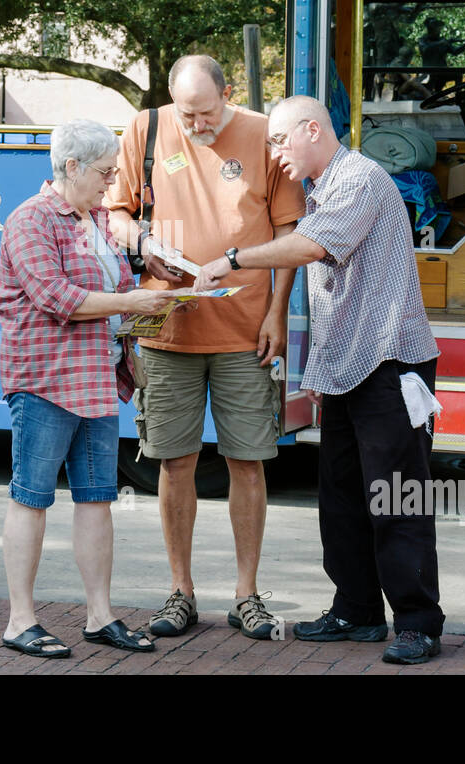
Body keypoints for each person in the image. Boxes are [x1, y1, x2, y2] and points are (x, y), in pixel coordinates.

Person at [194, 95, 445, 664]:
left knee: (398, 497)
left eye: (280, 142)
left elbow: (312, 245)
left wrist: (231, 259)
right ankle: (356, 611)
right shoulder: (320, 188)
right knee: (341, 496)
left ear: (313, 129)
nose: (275, 155)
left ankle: (418, 622)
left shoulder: (359, 178)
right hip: (347, 369)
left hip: (390, 363)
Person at [104, 55, 306, 640]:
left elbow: (291, 233)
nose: (195, 124)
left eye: (207, 112)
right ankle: (180, 591)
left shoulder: (265, 134)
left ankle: (247, 594)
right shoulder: (143, 130)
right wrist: (142, 243)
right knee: (175, 461)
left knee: (248, 462)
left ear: (228, 94)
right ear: (172, 100)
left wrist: (277, 313)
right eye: (186, 113)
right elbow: (115, 213)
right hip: (169, 328)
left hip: (246, 330)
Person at [0, 119, 175, 659]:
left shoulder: (95, 218)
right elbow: (56, 297)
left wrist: (166, 297)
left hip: (94, 378)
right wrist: (131, 304)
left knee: (97, 498)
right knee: (31, 497)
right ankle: (18, 621)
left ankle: (100, 616)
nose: (111, 182)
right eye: (104, 171)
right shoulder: (29, 220)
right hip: (45, 380)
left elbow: (118, 288)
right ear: (71, 167)